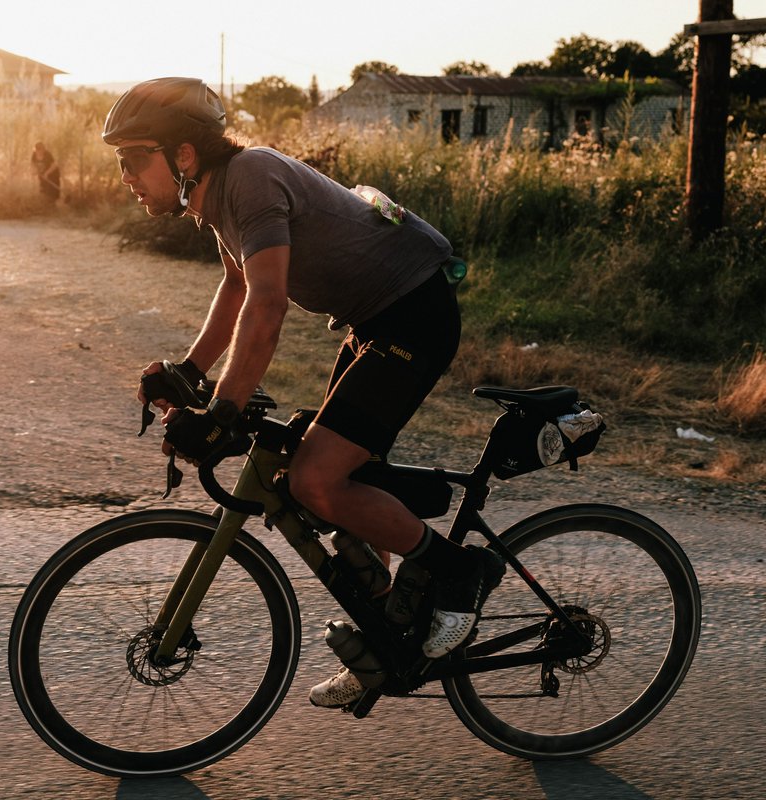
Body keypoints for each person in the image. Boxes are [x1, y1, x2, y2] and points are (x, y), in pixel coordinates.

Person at [104, 77, 504, 709]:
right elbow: (237, 288)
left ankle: (458, 570)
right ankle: (386, 641)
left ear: (183, 155)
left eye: (132, 158)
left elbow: (267, 308)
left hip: (414, 317)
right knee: (309, 475)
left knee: (316, 479)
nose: (124, 175)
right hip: (379, 323)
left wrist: (223, 411)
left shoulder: (251, 177)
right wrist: (190, 371)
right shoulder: (220, 198)